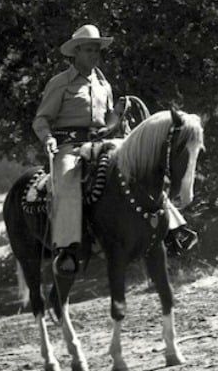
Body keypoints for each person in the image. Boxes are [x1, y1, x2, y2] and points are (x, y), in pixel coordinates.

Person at [32, 25, 196, 276]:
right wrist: (48, 139)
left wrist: (118, 112)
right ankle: (67, 250)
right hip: (70, 146)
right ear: (75, 52)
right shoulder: (60, 83)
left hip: (103, 141)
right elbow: (41, 119)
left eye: (96, 50)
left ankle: (174, 227)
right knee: (66, 181)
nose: (94, 55)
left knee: (141, 164)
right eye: (88, 49)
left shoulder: (102, 83)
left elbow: (107, 120)